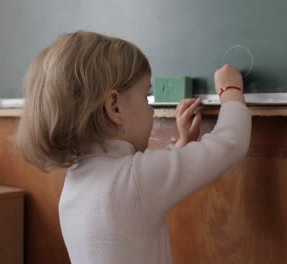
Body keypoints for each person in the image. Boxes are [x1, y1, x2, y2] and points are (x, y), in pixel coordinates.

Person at [15, 31, 251, 264]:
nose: (151, 110)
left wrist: (181, 144)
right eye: (145, 96)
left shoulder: (75, 183)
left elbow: (139, 193)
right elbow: (229, 145)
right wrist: (230, 92)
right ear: (114, 107)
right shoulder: (136, 181)